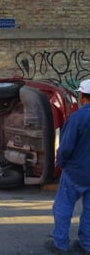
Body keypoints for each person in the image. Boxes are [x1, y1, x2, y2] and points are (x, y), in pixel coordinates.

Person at [47, 79, 90, 254]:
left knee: (63, 207)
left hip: (75, 173)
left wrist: (61, 164)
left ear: (81, 96)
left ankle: (60, 244)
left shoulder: (77, 118)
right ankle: (86, 245)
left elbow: (65, 148)